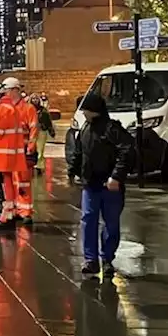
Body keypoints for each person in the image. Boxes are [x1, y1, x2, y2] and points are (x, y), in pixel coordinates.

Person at [67, 94, 133, 277]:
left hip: (109, 184)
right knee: (88, 220)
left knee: (111, 224)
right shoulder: (86, 129)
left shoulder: (112, 130)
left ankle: (107, 258)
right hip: (91, 183)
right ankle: (91, 260)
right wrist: (72, 170)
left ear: (94, 111)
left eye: (86, 110)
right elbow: (79, 151)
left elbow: (126, 152)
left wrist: (116, 177)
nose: (84, 114)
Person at [0, 77, 37, 231]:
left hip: (9, 153)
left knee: (20, 183)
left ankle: (21, 212)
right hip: (15, 150)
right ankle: (15, 211)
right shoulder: (12, 108)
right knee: (11, 184)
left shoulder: (9, 109)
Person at [30, 94, 55, 174]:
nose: (35, 100)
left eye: (36, 98)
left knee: (40, 150)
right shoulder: (28, 109)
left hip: (41, 131)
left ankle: (39, 166)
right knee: (31, 149)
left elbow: (48, 121)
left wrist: (51, 131)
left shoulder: (43, 110)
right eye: (33, 98)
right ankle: (31, 164)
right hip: (31, 132)